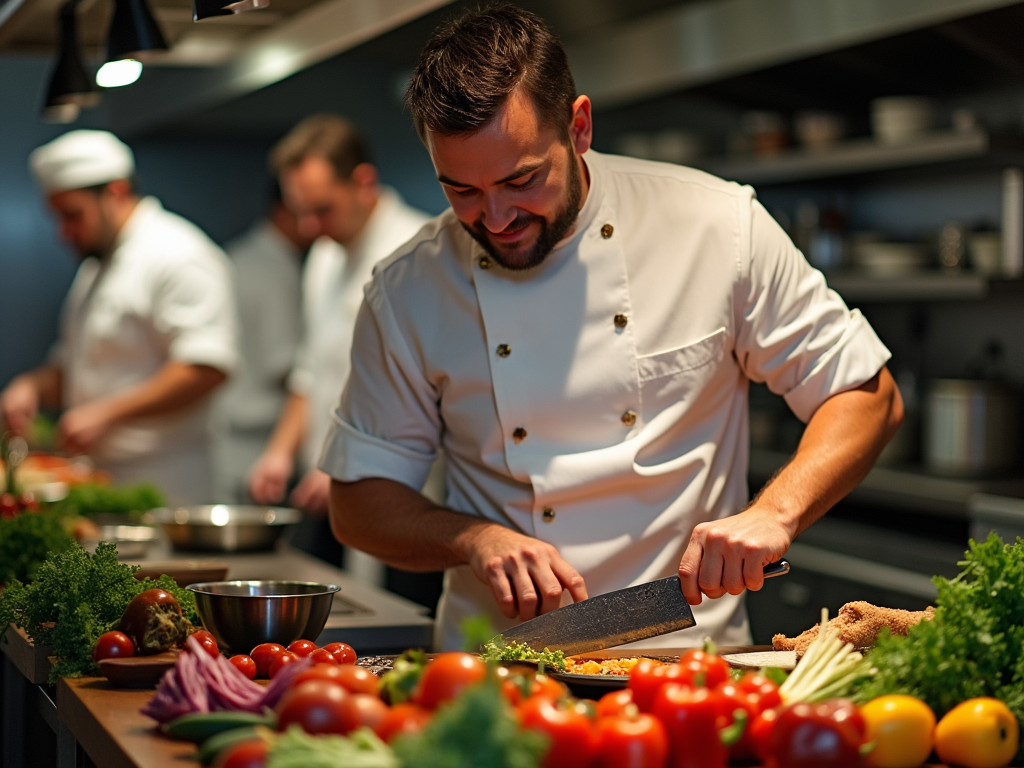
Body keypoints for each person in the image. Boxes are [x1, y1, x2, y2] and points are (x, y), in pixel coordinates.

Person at [320, 6, 904, 651]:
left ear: (579, 127)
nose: (495, 216)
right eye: (462, 190)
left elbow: (865, 393)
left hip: (685, 665)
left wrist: (775, 512)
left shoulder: (717, 226)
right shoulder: (408, 287)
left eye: (522, 178)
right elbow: (358, 504)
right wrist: (473, 537)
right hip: (494, 666)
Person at [1, 130, 237, 505]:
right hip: (103, 479)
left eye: (73, 216)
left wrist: (107, 414)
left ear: (116, 192)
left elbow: (205, 367)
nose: (63, 233)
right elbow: (80, 364)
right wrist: (31, 387)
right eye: (58, 218)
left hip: (169, 485)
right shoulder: (97, 268)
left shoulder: (179, 254)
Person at [247, 115, 431, 575]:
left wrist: (342, 464)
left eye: (321, 209)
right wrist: (280, 450)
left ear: (363, 182)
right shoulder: (325, 254)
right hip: (325, 481)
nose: (308, 226)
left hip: (401, 490)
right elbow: (309, 369)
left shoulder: (416, 251)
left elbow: (416, 389)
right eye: (299, 212)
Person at [212, 185, 313, 503]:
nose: (314, 227)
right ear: (283, 210)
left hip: (228, 444)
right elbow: (287, 367)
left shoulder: (237, 257)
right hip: (260, 450)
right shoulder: (275, 271)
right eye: (306, 213)